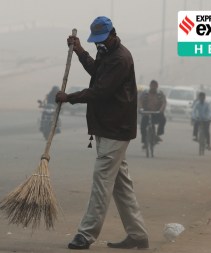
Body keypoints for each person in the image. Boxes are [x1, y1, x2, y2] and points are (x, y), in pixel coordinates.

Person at [56, 16, 149, 250]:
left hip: (115, 129)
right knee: (121, 185)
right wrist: (79, 51)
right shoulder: (105, 52)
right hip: (108, 126)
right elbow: (96, 72)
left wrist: (70, 98)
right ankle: (138, 235)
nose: (99, 44)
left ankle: (86, 235)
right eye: (96, 41)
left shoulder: (120, 58)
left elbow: (100, 91)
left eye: (102, 40)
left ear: (112, 34)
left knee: (101, 182)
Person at [138, 80, 167, 148]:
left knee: (163, 120)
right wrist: (141, 108)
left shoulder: (160, 93)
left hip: (157, 112)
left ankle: (158, 134)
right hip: (146, 113)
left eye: (155, 86)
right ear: (150, 86)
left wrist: (161, 110)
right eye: (152, 85)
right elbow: (140, 101)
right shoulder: (145, 93)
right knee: (143, 126)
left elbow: (164, 102)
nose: (153, 87)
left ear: (157, 86)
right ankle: (144, 142)